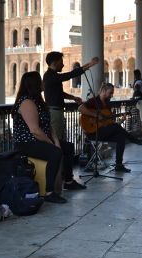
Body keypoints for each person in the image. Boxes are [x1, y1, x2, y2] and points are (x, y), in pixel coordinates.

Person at [43, 52, 98, 190]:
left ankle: (64, 178)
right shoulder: (50, 75)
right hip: (54, 113)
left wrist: (73, 97)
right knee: (59, 146)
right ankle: (63, 180)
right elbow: (68, 76)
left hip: (57, 112)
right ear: (54, 62)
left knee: (62, 145)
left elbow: (58, 93)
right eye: (61, 62)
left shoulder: (52, 77)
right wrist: (88, 65)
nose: (63, 64)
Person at [11, 71, 67, 204]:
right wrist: (50, 143)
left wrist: (56, 141)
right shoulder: (27, 102)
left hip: (38, 140)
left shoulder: (37, 101)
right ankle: (49, 192)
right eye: (40, 81)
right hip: (26, 143)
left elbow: (48, 126)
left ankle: (68, 181)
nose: (43, 83)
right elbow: (35, 130)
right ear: (35, 84)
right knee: (55, 153)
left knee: (68, 147)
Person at [78, 83, 142, 173]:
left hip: (103, 131)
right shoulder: (94, 101)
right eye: (110, 93)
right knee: (116, 128)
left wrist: (122, 120)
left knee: (120, 137)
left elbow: (109, 123)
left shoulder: (107, 104)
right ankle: (134, 139)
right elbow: (80, 108)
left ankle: (119, 165)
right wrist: (95, 115)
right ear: (104, 91)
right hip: (92, 132)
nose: (111, 95)